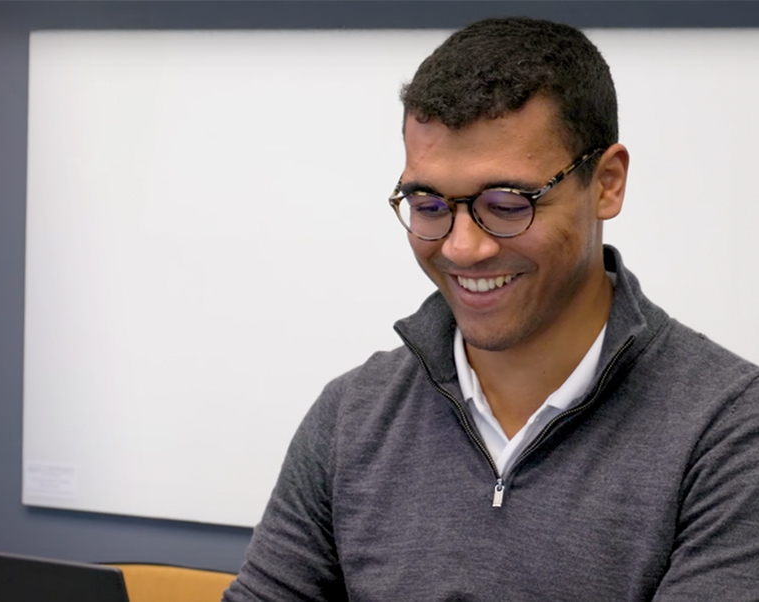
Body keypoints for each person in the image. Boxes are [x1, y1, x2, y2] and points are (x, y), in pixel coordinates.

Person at [222, 16, 759, 602]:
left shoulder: (730, 432)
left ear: (606, 183)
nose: (461, 247)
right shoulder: (352, 417)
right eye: (428, 205)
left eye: (506, 204)